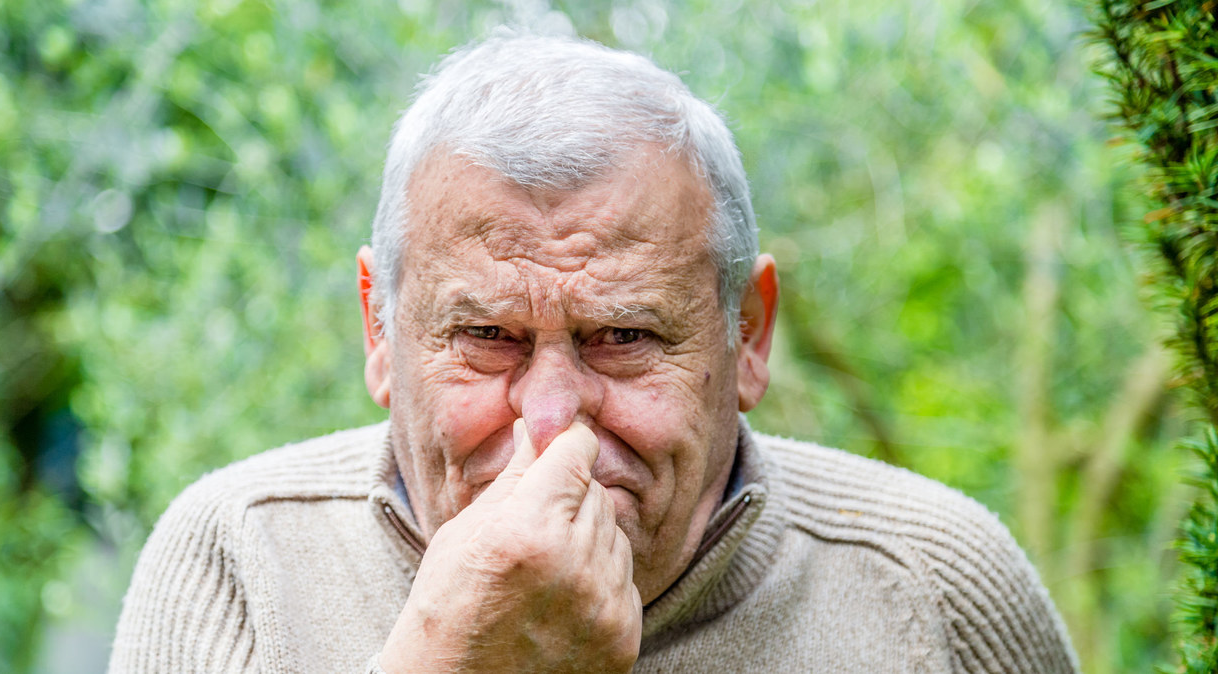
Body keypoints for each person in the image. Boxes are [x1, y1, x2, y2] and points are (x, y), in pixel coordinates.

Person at [109, 32, 1078, 673]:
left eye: (622, 336)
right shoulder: (238, 556)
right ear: (379, 328)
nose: (550, 418)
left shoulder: (931, 582)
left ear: (747, 333)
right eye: (486, 336)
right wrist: (448, 652)